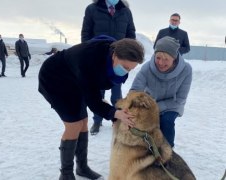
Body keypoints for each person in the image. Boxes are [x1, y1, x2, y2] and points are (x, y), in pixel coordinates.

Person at [38, 37, 144, 180]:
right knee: (74, 124)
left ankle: (82, 167)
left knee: (83, 121)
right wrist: (114, 113)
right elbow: (93, 101)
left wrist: (110, 110)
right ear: (114, 55)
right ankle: (66, 174)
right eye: (125, 67)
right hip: (55, 78)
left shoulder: (112, 54)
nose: (126, 72)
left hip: (75, 80)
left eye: (130, 69)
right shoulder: (89, 59)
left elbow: (93, 91)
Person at [81, 0, 136, 135]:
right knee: (97, 94)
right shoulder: (92, 9)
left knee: (116, 94)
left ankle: (116, 119)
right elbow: (86, 34)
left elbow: (131, 35)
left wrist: (129, 55)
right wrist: (88, 55)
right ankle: (97, 120)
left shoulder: (125, 11)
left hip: (119, 61)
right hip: (98, 60)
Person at [131, 36, 192, 148]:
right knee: (144, 122)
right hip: (150, 102)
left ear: (174, 58)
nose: (160, 62)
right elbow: (135, 90)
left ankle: (168, 153)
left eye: (166, 59)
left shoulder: (186, 70)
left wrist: (155, 107)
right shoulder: (147, 67)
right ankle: (147, 150)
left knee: (166, 121)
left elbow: (180, 99)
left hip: (172, 105)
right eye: (158, 58)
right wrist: (133, 104)